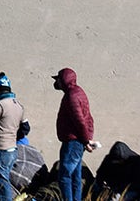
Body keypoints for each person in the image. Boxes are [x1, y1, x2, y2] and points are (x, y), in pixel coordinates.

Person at [53, 67, 97, 201]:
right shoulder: (77, 92)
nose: (56, 83)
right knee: (75, 177)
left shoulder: (72, 96)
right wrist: (87, 139)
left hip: (73, 142)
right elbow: (87, 119)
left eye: (58, 80)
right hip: (77, 141)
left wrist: (86, 141)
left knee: (64, 177)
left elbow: (80, 121)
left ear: (63, 81)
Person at [0, 72, 28, 201]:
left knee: (1, 184)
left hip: (1, 150)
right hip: (12, 150)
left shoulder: (0, 105)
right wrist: (13, 136)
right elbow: (26, 128)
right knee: (4, 180)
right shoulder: (18, 106)